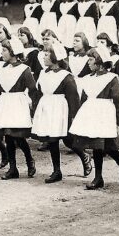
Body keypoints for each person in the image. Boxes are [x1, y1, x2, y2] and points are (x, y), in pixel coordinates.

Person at [69, 47, 119, 190]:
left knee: (109, 146)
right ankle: (98, 178)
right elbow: (84, 98)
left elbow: (117, 100)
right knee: (96, 146)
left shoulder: (111, 78)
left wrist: (117, 118)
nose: (88, 63)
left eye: (91, 60)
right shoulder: (88, 79)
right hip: (92, 115)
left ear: (100, 62)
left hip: (105, 115)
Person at [31, 41, 93, 183]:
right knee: (52, 140)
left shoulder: (66, 76)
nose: (43, 57)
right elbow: (38, 92)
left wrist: (74, 118)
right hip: (47, 108)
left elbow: (73, 99)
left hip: (60, 110)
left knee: (69, 140)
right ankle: (57, 171)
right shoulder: (42, 73)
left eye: (46, 54)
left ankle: (84, 156)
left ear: (55, 57)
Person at [0, 37, 38, 180]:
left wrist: (33, 107)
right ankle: (13, 168)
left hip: (17, 104)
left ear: (13, 52)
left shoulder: (24, 70)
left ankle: (29, 160)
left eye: (4, 50)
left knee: (18, 137)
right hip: (5, 103)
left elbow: (33, 89)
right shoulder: (1, 69)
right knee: (8, 137)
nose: (2, 54)